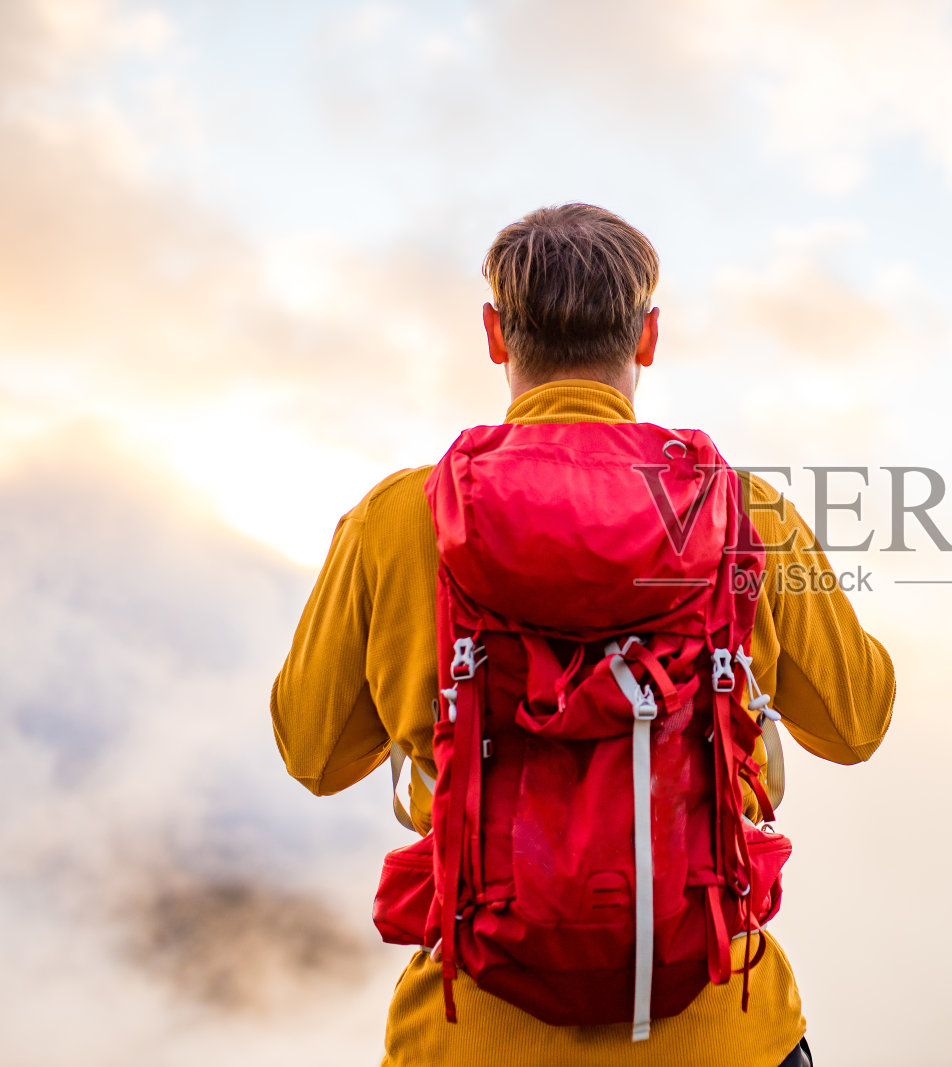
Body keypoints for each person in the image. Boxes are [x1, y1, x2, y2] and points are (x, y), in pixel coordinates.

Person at [271, 203, 896, 1067]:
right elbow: (855, 723)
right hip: (725, 1036)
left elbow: (313, 752)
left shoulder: (396, 519)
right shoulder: (746, 514)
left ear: (496, 334)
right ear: (646, 337)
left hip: (468, 1040)